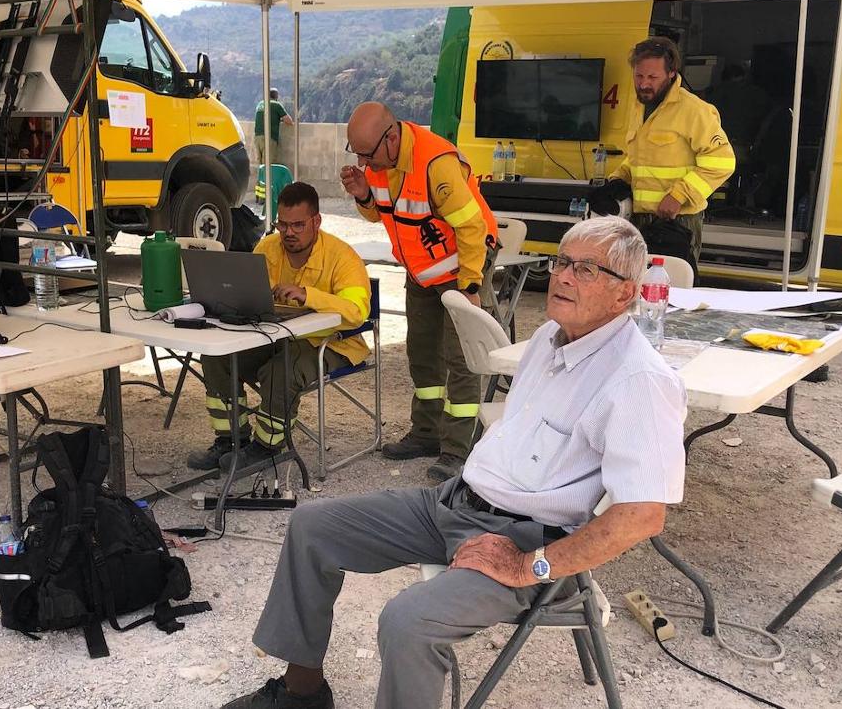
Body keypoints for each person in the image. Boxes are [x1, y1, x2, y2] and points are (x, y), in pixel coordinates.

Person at [219, 216, 687, 709]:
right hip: (453, 501)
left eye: (587, 269)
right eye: (563, 262)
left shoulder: (638, 378)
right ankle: (302, 694)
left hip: (525, 538)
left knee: (407, 620)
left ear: (625, 294)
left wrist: (530, 565)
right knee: (313, 526)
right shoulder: (550, 338)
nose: (564, 276)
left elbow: (641, 516)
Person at [340, 101, 499, 483]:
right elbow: (384, 212)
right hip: (422, 272)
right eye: (357, 155)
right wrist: (364, 195)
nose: (364, 163)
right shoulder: (382, 164)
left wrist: (472, 285)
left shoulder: (435, 163)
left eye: (368, 155)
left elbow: (472, 228)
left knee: (459, 358)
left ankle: (458, 449)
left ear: (392, 137)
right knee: (422, 354)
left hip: (461, 267)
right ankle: (426, 433)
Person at [186, 182, 371, 472]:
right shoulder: (268, 246)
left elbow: (357, 312)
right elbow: (248, 289)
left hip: (332, 342)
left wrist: (308, 295)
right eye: (282, 224)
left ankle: (267, 447)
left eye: (298, 225)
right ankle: (231, 440)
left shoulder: (342, 256)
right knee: (218, 356)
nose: (288, 232)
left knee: (280, 369)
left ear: (316, 221)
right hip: (275, 334)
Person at [589, 37, 735, 265]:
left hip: (678, 221)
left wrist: (678, 196)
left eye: (652, 77)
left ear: (671, 73)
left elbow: (722, 162)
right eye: (639, 76)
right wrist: (618, 180)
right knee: (634, 290)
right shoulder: (640, 107)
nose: (644, 84)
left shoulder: (694, 110)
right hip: (638, 219)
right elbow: (638, 157)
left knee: (673, 294)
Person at [254, 87, 294, 162]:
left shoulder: (260, 104)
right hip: (269, 137)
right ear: (276, 96)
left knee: (261, 164)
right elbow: (289, 121)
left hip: (257, 137)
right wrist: (280, 118)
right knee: (269, 164)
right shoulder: (276, 105)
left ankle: (261, 174)